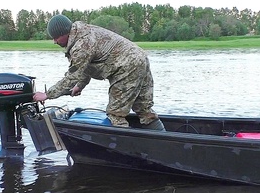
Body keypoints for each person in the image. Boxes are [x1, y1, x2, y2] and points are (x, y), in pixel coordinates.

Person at [32, 14, 165, 131]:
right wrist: (80, 85)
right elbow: (85, 67)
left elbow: (72, 76)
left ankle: (125, 152)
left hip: (127, 67)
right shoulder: (81, 33)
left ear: (65, 33)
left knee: (115, 115)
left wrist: (47, 95)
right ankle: (164, 145)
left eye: (56, 38)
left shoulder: (81, 45)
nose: (54, 41)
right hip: (140, 58)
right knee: (144, 110)